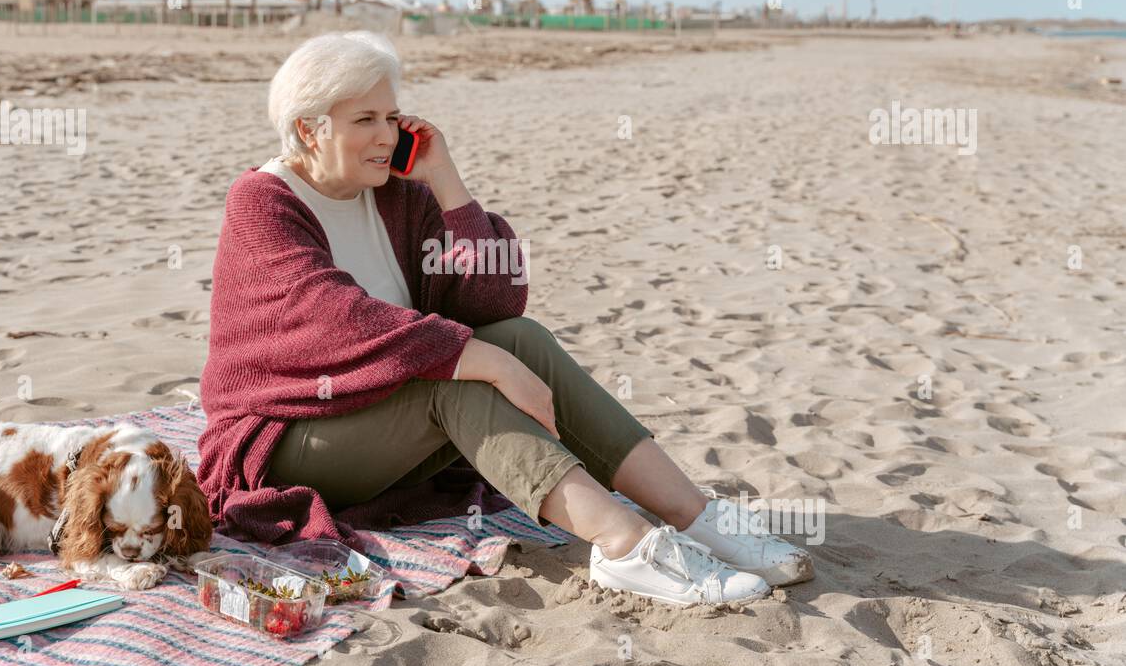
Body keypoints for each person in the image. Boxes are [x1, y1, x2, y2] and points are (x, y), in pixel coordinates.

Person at [197, 30, 813, 606]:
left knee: (522, 339)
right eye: (365, 120)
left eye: (391, 117)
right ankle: (623, 546)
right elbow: (330, 316)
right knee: (463, 380)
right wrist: (487, 364)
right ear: (309, 131)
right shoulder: (262, 200)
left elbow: (495, 303)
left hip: (386, 414)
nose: (387, 135)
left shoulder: (393, 193)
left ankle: (699, 519)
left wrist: (445, 179)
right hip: (292, 433)